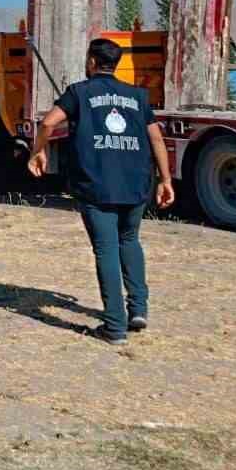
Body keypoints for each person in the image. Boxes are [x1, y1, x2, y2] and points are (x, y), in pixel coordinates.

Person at [27, 37, 175, 344]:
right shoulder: (137, 96)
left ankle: (114, 326)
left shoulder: (79, 93)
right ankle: (138, 309)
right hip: (136, 183)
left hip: (97, 185)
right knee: (130, 241)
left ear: (92, 62)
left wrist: (37, 152)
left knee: (106, 249)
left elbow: (47, 124)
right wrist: (166, 179)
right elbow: (156, 139)